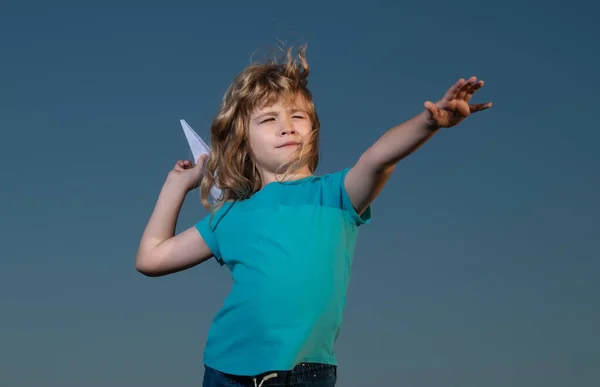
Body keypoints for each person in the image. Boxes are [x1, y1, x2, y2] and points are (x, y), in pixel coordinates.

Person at [136, 45, 491, 387]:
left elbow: (379, 157)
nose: (287, 126)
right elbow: (151, 258)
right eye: (269, 119)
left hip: (306, 374)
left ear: (313, 130)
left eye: (297, 116)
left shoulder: (336, 194)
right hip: (225, 372)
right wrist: (175, 186)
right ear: (244, 140)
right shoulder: (229, 216)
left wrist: (429, 122)